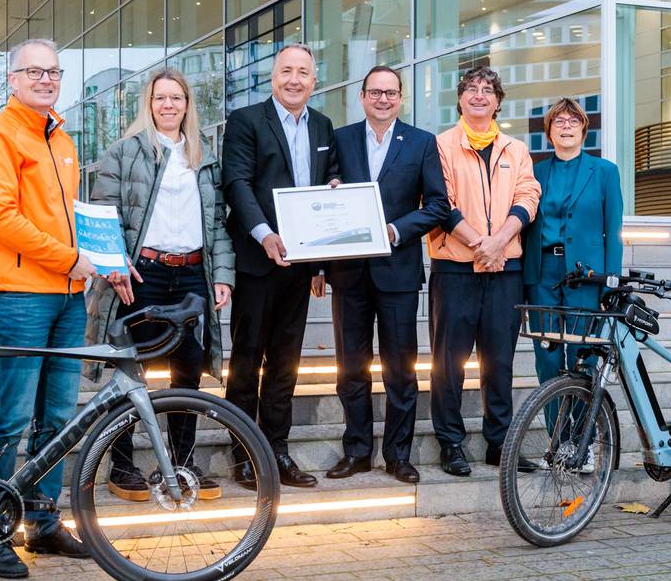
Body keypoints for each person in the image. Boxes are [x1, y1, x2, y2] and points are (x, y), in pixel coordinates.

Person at [0, 37, 96, 578]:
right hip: (20, 296)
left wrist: (100, 258)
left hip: (68, 299)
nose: (46, 79)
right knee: (12, 415)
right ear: (12, 80)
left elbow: (69, 216)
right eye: (34, 71)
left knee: (58, 418)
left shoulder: (61, 139)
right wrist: (70, 258)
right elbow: (0, 219)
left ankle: (42, 522)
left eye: (54, 71)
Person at [86, 68, 235, 502]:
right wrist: (114, 266)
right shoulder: (124, 152)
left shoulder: (204, 157)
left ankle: (184, 463)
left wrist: (222, 277)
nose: (168, 105)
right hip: (140, 275)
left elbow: (219, 226)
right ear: (148, 105)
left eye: (176, 98)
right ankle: (122, 463)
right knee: (132, 369)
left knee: (187, 372)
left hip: (191, 274)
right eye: (159, 98)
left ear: (188, 105)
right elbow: (102, 214)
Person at [221, 43, 340, 489]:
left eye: (303, 73)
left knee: (286, 363)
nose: (294, 79)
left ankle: (277, 452)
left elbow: (331, 183)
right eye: (286, 71)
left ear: (314, 80)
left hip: (301, 265)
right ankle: (242, 454)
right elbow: (237, 183)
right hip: (256, 260)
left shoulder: (323, 125)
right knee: (247, 358)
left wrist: (323, 260)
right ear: (273, 76)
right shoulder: (246, 121)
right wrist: (263, 233)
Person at [322, 66, 448, 485]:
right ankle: (356, 452)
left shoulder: (421, 142)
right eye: (374, 92)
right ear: (361, 96)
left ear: (401, 98)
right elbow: (325, 197)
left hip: (397, 272)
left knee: (400, 369)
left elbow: (437, 206)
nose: (382, 99)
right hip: (349, 273)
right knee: (350, 367)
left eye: (390, 93)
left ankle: (398, 455)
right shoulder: (340, 139)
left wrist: (394, 230)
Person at [426, 66, 541, 477]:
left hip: (504, 269)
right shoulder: (439, 146)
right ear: (460, 99)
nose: (479, 95)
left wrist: (500, 242)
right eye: (471, 89)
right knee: (448, 362)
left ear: (497, 101)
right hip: (455, 269)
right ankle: (451, 444)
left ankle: (499, 444)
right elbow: (441, 202)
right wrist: (481, 245)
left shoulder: (516, 149)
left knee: (500, 362)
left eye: (487, 89)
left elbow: (529, 194)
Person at [523, 97, 623, 469]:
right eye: (558, 121)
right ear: (549, 132)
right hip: (543, 275)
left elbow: (612, 231)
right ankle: (558, 441)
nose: (566, 126)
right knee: (547, 360)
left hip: (587, 279)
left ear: (584, 129)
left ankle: (579, 444)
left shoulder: (605, 172)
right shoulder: (535, 172)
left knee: (581, 360)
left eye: (573, 121)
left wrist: (610, 284)